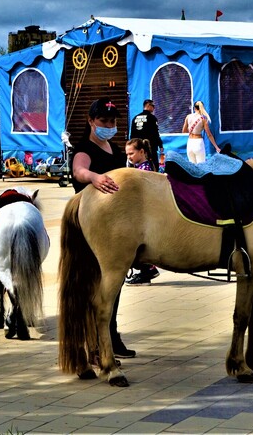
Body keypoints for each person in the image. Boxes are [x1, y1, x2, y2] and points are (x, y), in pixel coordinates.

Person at [71, 97, 135, 358]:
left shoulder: (117, 151)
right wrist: (94, 177)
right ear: (91, 121)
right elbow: (78, 171)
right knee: (93, 287)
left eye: (112, 121)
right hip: (90, 228)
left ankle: (111, 335)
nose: (108, 125)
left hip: (115, 229)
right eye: (103, 120)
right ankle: (90, 342)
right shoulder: (85, 148)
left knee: (113, 286)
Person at [124, 138, 161, 286]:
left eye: (131, 153)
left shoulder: (144, 170)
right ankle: (147, 270)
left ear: (142, 152)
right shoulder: (140, 168)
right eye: (127, 154)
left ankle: (147, 271)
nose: (129, 157)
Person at [129, 99, 163, 171]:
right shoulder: (152, 118)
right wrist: (160, 145)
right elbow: (155, 133)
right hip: (150, 147)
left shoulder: (135, 118)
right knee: (153, 167)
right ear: (148, 105)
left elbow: (132, 134)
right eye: (153, 106)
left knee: (137, 167)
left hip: (137, 147)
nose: (154, 108)